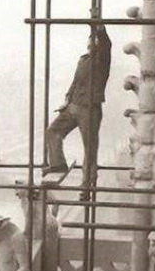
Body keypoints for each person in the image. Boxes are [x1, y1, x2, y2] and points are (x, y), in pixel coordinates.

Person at [44, 24, 111, 195]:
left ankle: (87, 186)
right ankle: (58, 164)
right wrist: (66, 101)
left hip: (90, 109)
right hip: (74, 105)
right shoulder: (83, 60)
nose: (92, 41)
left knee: (89, 149)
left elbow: (106, 44)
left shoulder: (102, 61)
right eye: (91, 39)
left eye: (94, 39)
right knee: (53, 131)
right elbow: (74, 83)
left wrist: (99, 28)